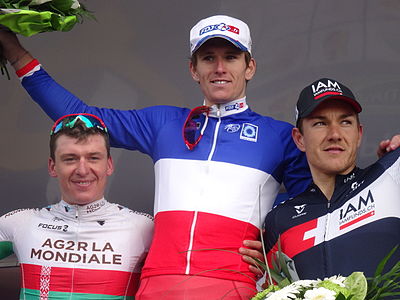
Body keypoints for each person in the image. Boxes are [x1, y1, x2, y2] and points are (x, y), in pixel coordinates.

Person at [0, 15, 313, 299]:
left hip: (233, 285)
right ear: (194, 69)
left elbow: (309, 209)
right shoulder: (164, 123)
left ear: (249, 67)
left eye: (231, 57)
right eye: (208, 58)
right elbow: (81, 117)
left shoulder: (281, 137)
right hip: (159, 285)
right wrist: (15, 52)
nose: (219, 68)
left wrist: (271, 243)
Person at [0, 113, 154, 299]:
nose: (82, 170)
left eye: (94, 158)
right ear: (52, 166)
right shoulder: (19, 223)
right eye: (70, 159)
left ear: (109, 165)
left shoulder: (145, 228)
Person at [264, 78, 400, 281]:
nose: (335, 134)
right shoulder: (280, 220)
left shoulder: (392, 177)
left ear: (359, 134)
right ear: (299, 139)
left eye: (345, 122)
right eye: (320, 123)